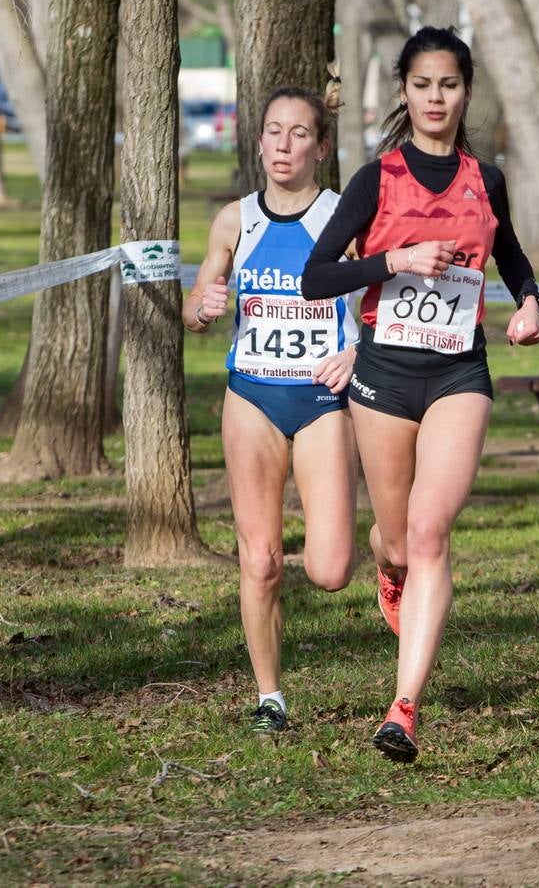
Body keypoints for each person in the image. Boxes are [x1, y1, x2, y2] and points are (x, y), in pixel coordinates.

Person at [302, 26, 539, 763]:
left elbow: (514, 261)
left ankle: (403, 710)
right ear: (404, 93)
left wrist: (530, 305)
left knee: (433, 533)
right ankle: (387, 562)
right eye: (422, 85)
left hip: (457, 374)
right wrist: (392, 259)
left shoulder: (486, 180)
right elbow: (317, 277)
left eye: (448, 84)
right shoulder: (377, 180)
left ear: (465, 91)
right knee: (401, 537)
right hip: (383, 377)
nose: (436, 98)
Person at [183, 86, 359, 736]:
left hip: (320, 402)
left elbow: (380, 300)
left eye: (299, 134)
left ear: (321, 147)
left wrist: (358, 353)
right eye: (274, 132)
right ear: (258, 141)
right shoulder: (236, 219)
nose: (284, 146)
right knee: (259, 560)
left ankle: (385, 547)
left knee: (330, 569)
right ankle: (270, 697)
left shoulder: (342, 217)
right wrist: (201, 309)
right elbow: (200, 298)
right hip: (252, 395)